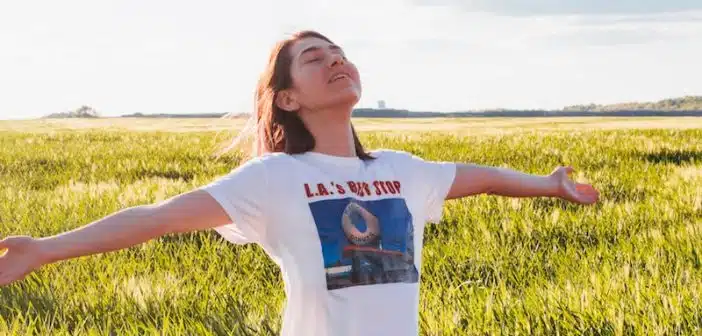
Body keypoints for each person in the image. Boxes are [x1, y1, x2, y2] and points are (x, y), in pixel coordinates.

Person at [0, 30, 600, 336]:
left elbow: (483, 179)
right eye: (315, 58)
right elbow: (156, 217)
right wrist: (45, 248)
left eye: (339, 52)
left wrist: (549, 185)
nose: (337, 60)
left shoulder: (400, 170)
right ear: (287, 97)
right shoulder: (276, 178)